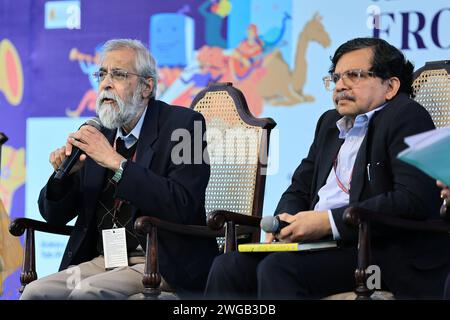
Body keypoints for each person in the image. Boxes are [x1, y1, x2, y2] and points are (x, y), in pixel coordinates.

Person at [205, 37, 450, 299]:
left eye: (354, 75)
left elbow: (411, 200)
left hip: (377, 252)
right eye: (335, 78)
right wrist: (286, 221)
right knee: (228, 267)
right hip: (320, 246)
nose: (340, 86)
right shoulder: (329, 123)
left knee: (279, 269)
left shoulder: (405, 115)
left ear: (390, 86)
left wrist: (328, 222)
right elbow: (299, 187)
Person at [21, 39, 219, 299]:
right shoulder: (98, 132)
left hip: (162, 263)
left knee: (87, 293)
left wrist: (116, 163)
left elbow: (183, 203)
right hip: (104, 260)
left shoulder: (185, 125)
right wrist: (63, 179)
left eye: (118, 74)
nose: (105, 83)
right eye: (102, 74)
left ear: (146, 87)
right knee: (36, 292)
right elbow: (54, 216)